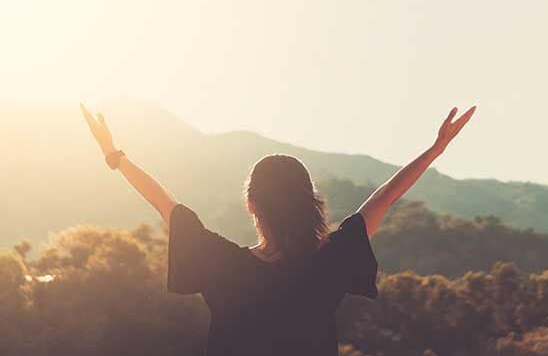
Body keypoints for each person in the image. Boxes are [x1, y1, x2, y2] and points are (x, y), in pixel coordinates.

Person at [81, 103, 476, 356]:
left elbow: (165, 205)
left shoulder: (223, 265)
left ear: (252, 205)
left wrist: (115, 156)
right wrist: (435, 150)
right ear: (310, 204)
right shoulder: (329, 264)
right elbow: (384, 198)